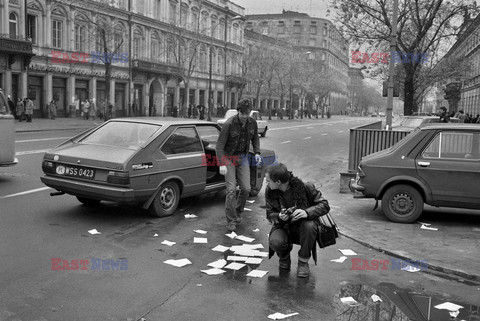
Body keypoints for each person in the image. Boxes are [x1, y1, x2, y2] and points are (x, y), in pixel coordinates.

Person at [265, 163, 330, 278]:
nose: (267, 183)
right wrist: (279, 216)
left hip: (303, 227)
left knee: (309, 226)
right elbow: (270, 214)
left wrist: (307, 212)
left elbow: (324, 205)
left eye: (268, 181)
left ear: (278, 182)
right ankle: (284, 257)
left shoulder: (305, 187)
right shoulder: (270, 191)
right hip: (283, 227)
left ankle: (303, 262)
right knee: (275, 241)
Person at [216, 98, 262, 232]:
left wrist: (257, 152)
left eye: (247, 114)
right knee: (231, 190)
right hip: (228, 157)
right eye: (242, 114)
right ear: (238, 112)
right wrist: (222, 164)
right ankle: (231, 220)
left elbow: (255, 138)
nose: (245, 116)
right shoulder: (229, 124)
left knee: (246, 188)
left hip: (242, 157)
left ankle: (238, 211)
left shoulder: (252, 122)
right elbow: (219, 146)